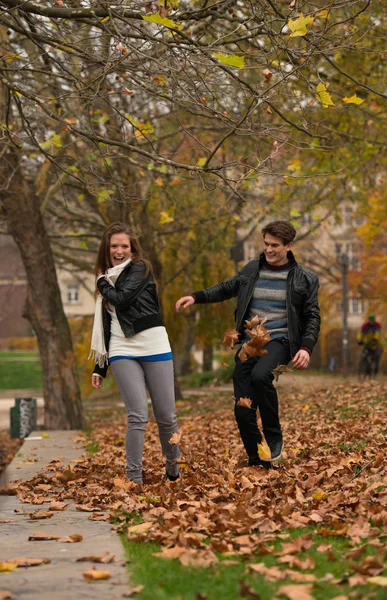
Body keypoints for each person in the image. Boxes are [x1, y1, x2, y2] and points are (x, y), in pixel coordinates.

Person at [176, 220, 320, 469]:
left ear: (289, 246)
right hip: (249, 343)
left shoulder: (304, 278)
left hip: (280, 340)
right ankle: (259, 460)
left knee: (261, 376)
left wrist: (306, 348)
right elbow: (226, 288)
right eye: (266, 244)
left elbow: (312, 316)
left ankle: (274, 438)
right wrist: (195, 297)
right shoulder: (252, 270)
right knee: (242, 408)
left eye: (275, 245)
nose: (269, 249)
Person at [90, 222, 180, 484]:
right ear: (106, 249)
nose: (119, 251)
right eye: (114, 246)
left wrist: (100, 281)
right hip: (121, 348)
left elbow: (122, 299)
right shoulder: (106, 276)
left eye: (124, 246)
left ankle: (173, 468)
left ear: (132, 248)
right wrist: (100, 366)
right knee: (138, 413)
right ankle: (133, 478)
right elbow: (105, 324)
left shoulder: (139, 267)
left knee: (166, 416)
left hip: (154, 344)